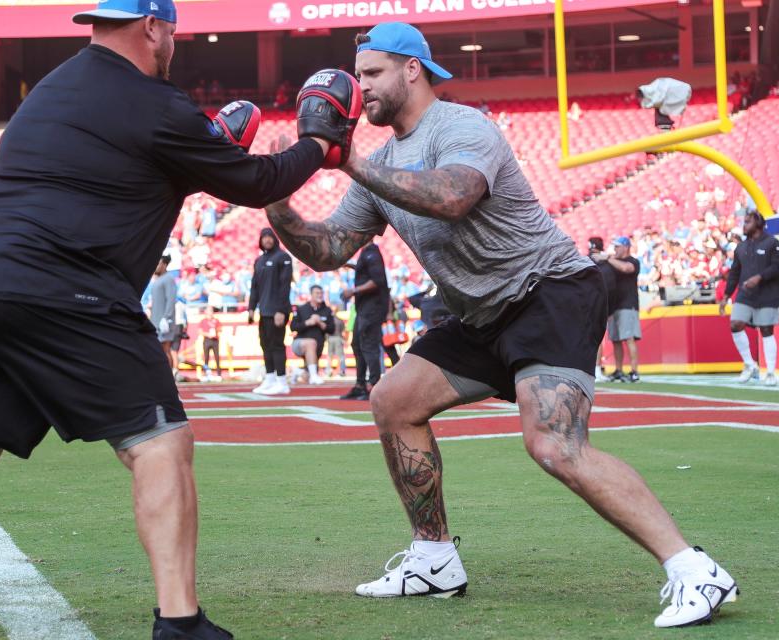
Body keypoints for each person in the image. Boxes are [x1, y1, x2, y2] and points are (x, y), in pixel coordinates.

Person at [264, 21, 736, 628]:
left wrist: (350, 160)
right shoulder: (380, 162)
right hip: (479, 311)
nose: (363, 89)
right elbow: (328, 249)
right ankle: (434, 559)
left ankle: (694, 569)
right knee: (393, 400)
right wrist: (273, 192)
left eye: (373, 73)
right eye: (358, 77)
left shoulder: (462, 126)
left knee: (554, 445)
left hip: (551, 291)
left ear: (413, 69)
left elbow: (454, 194)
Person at [0, 0, 336, 636]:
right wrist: (319, 145)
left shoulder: (54, 87)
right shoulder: (154, 104)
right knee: (160, 442)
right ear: (154, 27)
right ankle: (180, 622)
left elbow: (118, 178)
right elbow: (258, 182)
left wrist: (200, 153)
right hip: (63, 289)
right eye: (172, 32)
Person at [719, 211, 779, 386]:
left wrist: (759, 277)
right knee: (735, 324)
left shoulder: (773, 243)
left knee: (766, 330)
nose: (744, 225)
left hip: (767, 293)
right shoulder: (741, 247)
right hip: (745, 294)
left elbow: (778, 267)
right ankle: (750, 365)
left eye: (748, 222)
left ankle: (770, 372)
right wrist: (726, 295)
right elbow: (734, 273)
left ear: (758, 223)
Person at [339, 242, 389, 400]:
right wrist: (351, 265)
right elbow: (370, 272)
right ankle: (360, 385)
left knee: (368, 345)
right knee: (357, 344)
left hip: (372, 308)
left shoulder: (371, 252)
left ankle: (374, 385)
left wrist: (353, 290)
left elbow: (377, 280)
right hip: (364, 308)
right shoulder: (366, 253)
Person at [248, 228, 293, 395]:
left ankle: (282, 381)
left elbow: (285, 285)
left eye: (269, 237)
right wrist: (251, 308)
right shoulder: (259, 260)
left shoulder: (283, 257)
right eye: (264, 237)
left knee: (277, 345)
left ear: (275, 238)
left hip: (277, 311)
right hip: (264, 310)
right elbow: (255, 287)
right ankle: (270, 378)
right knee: (265, 345)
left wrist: (281, 310)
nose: (267, 240)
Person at [606, 237, 641, 382]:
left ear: (626, 247)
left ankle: (634, 371)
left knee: (629, 338)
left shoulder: (633, 261)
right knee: (616, 340)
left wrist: (608, 259)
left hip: (628, 304)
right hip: (614, 306)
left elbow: (626, 268)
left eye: (617, 247)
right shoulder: (614, 262)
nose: (615, 250)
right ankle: (619, 370)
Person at [289, 284, 335, 384]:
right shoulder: (301, 309)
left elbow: (332, 329)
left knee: (307, 378)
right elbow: (293, 327)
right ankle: (314, 375)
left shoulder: (327, 310)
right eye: (317, 293)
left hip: (318, 348)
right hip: (300, 343)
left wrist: (320, 323)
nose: (320, 295)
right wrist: (308, 322)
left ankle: (298, 372)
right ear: (311, 295)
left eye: (321, 293)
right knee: (311, 343)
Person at [587, 236, 617, 382]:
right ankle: (595, 370)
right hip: (597, 305)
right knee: (596, 339)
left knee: (593, 339)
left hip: (589, 305)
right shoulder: (605, 264)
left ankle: (595, 369)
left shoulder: (587, 261)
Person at [150, 255, 177, 366]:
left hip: (164, 322)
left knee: (165, 350)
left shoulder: (168, 279)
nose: (156, 266)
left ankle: (169, 378)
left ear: (164, 265)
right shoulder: (158, 280)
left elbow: (171, 299)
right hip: (156, 321)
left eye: (158, 263)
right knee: (159, 351)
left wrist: (166, 318)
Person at [199, 305, 222, 381]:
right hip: (207, 340)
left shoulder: (216, 320)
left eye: (211, 311)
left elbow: (220, 329)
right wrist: (208, 334)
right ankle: (206, 374)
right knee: (206, 358)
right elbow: (200, 331)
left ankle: (219, 374)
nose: (210, 312)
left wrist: (216, 333)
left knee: (217, 357)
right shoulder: (203, 321)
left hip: (215, 340)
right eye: (209, 310)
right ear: (206, 312)